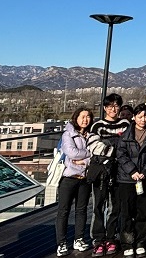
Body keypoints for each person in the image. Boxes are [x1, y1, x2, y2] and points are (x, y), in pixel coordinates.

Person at [87, 93, 130, 256]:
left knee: (115, 206)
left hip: (119, 171)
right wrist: (116, 150)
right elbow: (94, 146)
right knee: (98, 205)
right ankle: (98, 239)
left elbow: (128, 144)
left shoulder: (125, 124)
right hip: (101, 171)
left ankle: (111, 237)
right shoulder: (97, 126)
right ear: (105, 108)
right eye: (110, 106)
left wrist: (109, 146)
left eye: (116, 106)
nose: (113, 109)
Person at [116, 104, 146, 257]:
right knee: (127, 212)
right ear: (134, 117)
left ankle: (141, 241)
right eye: (140, 116)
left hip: (144, 177)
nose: (143, 119)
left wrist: (145, 171)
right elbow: (121, 154)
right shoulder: (126, 134)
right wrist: (132, 171)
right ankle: (128, 242)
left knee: (143, 211)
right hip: (127, 178)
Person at [55, 108, 93, 257]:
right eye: (82, 116)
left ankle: (79, 239)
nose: (85, 119)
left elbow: (96, 154)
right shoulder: (68, 134)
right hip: (69, 178)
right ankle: (62, 243)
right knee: (63, 211)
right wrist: (88, 154)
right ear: (76, 118)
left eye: (88, 116)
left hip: (84, 178)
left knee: (81, 210)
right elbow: (71, 152)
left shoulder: (91, 134)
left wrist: (85, 160)